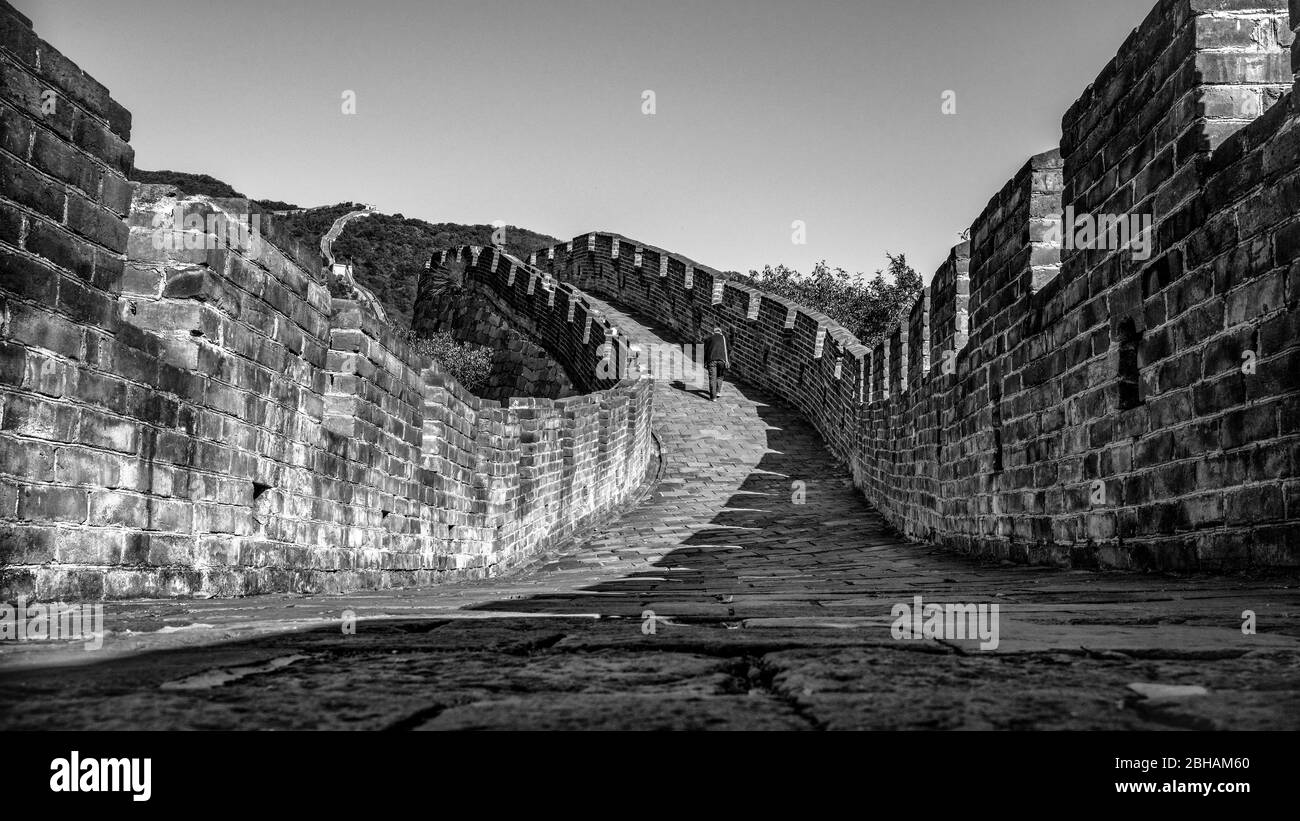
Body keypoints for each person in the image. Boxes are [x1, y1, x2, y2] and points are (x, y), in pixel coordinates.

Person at [703, 326, 730, 402]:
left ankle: (713, 397)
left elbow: (705, 351)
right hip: (722, 361)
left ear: (713, 332)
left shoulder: (709, 338)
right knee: (720, 376)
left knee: (712, 378)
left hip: (712, 360)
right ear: (721, 332)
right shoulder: (725, 339)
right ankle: (718, 392)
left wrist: (704, 362)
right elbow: (729, 349)